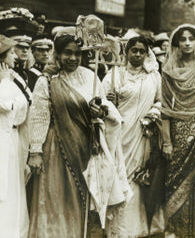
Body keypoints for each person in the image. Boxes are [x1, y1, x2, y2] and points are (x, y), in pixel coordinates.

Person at [27, 34, 128, 238]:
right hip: (57, 148)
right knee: (56, 197)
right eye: (68, 53)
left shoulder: (90, 77)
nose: (73, 58)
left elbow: (105, 109)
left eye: (77, 54)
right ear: (58, 54)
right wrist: (35, 151)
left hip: (85, 145)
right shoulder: (46, 80)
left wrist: (100, 113)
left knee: (82, 198)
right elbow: (39, 117)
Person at [103, 36, 164, 237]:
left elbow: (161, 101)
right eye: (133, 50)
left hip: (142, 134)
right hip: (118, 133)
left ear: (147, 53)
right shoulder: (115, 75)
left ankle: (137, 228)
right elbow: (100, 103)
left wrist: (152, 115)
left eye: (141, 51)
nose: (137, 54)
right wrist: (109, 102)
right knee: (118, 176)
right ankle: (116, 230)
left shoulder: (153, 76)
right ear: (126, 52)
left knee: (138, 178)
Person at [161, 25, 195, 238]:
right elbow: (165, 108)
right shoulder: (168, 70)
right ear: (176, 43)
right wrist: (167, 141)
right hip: (178, 131)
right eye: (182, 39)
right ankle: (175, 230)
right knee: (176, 179)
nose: (187, 43)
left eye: (191, 39)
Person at [0, 34, 30, 238]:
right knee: (6, 186)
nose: (15, 57)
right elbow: (6, 105)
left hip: (13, 138)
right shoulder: (5, 81)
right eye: (11, 53)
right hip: (4, 138)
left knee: (15, 186)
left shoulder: (11, 77)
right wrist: (5, 83)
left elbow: (24, 105)